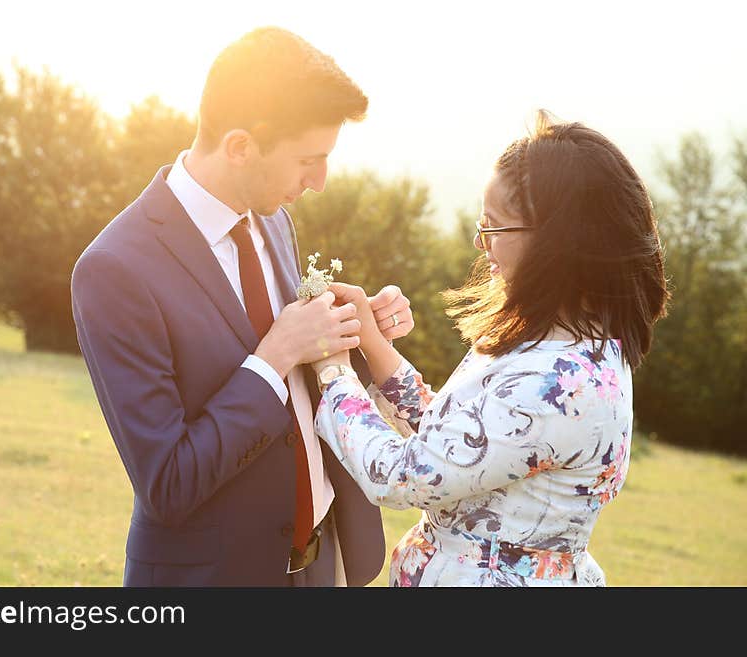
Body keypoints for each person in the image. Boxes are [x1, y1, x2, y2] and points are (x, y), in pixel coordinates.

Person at [70, 27, 415, 586]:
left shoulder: (275, 221)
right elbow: (168, 482)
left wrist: (358, 331)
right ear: (239, 146)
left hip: (319, 565)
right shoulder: (114, 270)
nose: (320, 182)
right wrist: (272, 357)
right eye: (309, 159)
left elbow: (301, 389)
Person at [311, 110, 670, 586]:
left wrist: (334, 371)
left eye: (494, 228)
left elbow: (404, 475)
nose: (482, 245)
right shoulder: (559, 343)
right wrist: (374, 345)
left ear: (557, 242)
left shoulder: (559, 384)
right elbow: (463, 441)